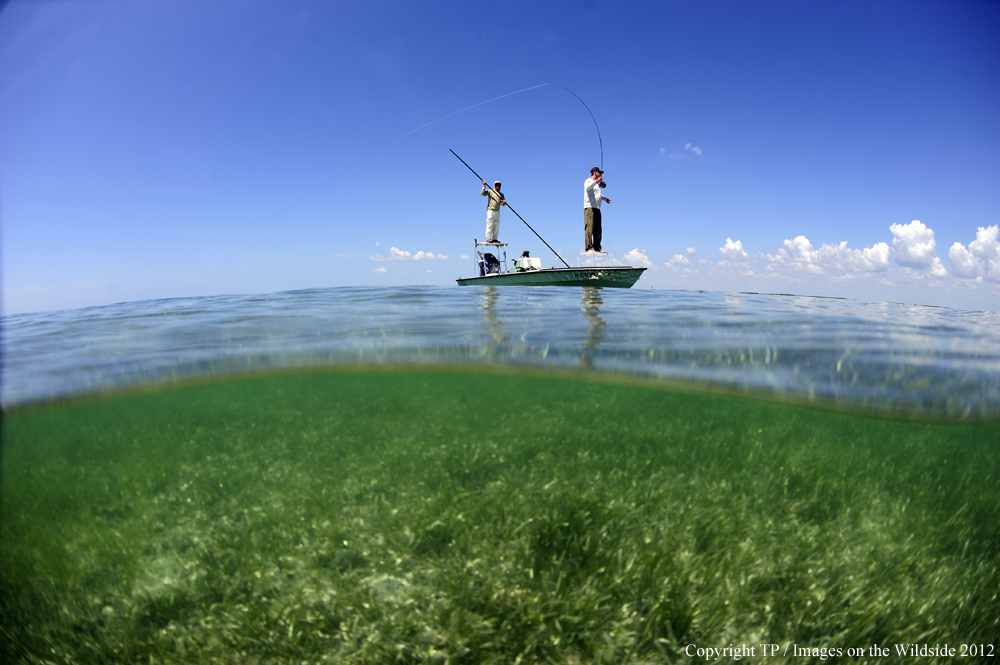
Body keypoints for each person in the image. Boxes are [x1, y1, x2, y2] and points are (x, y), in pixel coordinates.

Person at [584, 167, 610, 252]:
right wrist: (596, 182)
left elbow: (598, 195)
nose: (601, 175)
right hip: (590, 208)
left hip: (597, 208)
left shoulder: (596, 185)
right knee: (589, 228)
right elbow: (588, 188)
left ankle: (597, 247)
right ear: (595, 173)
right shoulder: (589, 181)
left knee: (598, 229)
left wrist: (605, 199)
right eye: (600, 173)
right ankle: (588, 247)